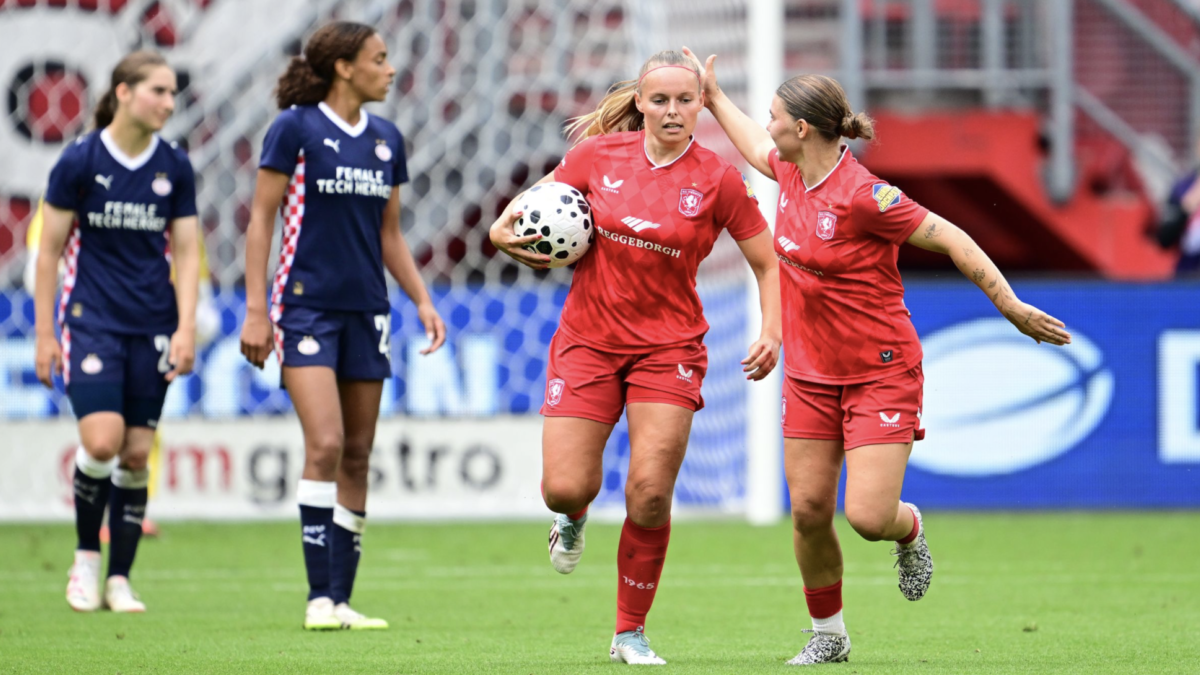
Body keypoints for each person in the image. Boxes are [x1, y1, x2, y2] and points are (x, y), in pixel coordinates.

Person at [682, 48, 1072, 665]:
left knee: (866, 516)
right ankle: (828, 637)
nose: (769, 124)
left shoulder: (867, 196)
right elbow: (757, 145)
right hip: (811, 375)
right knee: (809, 511)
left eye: (775, 114)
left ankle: (909, 527)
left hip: (880, 373)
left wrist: (1011, 305)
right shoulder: (788, 171)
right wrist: (713, 97)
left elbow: (953, 238)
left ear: (802, 129)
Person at [489, 50, 781, 665]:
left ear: (702, 104)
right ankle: (572, 518)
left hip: (669, 348)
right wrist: (501, 234)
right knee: (565, 486)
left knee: (650, 492)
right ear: (640, 104)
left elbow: (767, 263)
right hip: (587, 342)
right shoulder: (598, 157)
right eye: (661, 100)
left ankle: (630, 632)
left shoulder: (720, 179)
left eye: (685, 100)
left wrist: (773, 330)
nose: (673, 111)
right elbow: (523, 213)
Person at [238, 21, 446, 632]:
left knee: (358, 453)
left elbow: (390, 235)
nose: (390, 69)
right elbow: (261, 221)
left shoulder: (386, 139)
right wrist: (256, 310)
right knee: (325, 444)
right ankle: (317, 598)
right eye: (379, 59)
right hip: (304, 306)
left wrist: (423, 301)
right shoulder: (295, 129)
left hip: (368, 310)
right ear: (344, 67)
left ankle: (342, 601)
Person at [33, 51, 201, 613]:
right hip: (92, 322)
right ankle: (85, 559)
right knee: (101, 441)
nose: (168, 103)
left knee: (134, 454)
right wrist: (44, 334)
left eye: (173, 93)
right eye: (158, 91)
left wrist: (184, 329)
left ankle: (119, 579)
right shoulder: (79, 161)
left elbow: (186, 250)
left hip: (152, 325)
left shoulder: (174, 166)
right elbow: (48, 252)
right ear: (124, 92)